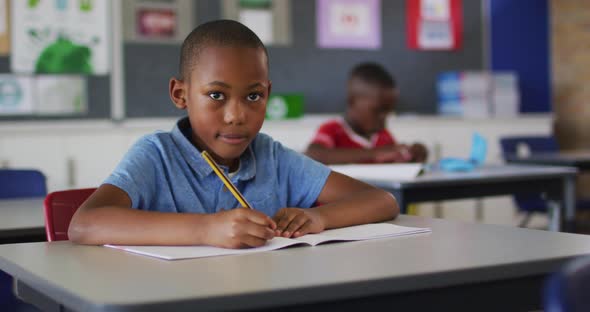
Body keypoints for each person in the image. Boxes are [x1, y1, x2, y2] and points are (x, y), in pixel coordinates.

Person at [68, 20, 398, 249]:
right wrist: (206, 229)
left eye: (253, 96)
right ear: (180, 94)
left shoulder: (272, 157)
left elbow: (381, 201)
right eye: (216, 95)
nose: (236, 115)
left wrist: (317, 217)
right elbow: (85, 224)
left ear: (267, 94)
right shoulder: (157, 155)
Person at [305, 62, 428, 165]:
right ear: (352, 101)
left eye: (388, 112)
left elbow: (392, 160)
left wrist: (411, 155)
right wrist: (375, 152)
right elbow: (313, 155)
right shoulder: (332, 130)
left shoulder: (383, 136)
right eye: (378, 111)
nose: (384, 118)